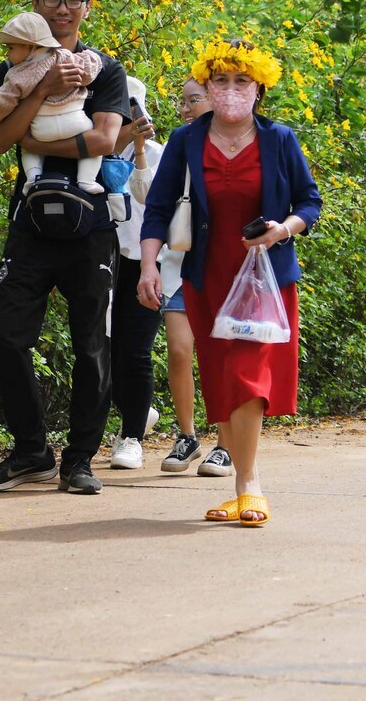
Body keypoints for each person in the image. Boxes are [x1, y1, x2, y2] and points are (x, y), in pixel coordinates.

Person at [138, 39, 321, 527]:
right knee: (221, 378)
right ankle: (241, 494)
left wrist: (283, 230)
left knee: (246, 374)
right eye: (222, 80)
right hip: (207, 277)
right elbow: (157, 207)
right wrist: (148, 266)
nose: (232, 89)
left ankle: (249, 483)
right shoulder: (186, 139)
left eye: (243, 81)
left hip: (264, 280)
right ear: (209, 85)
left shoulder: (279, 139)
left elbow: (310, 203)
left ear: (260, 88)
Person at [0, 0, 129, 494]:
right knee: (7, 339)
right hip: (30, 223)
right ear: (36, 2)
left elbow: (107, 139)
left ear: (88, 8)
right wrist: (42, 91)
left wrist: (31, 141)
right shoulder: (13, 65)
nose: (63, 7)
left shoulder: (104, 69)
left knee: (91, 345)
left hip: (91, 226)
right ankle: (31, 451)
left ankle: (80, 457)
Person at [151, 80, 231, 476]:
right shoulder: (181, 142)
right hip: (181, 260)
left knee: (222, 355)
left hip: (228, 267)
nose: (184, 109)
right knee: (180, 350)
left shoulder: (245, 141)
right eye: (180, 101)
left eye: (191, 100)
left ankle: (226, 443)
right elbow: (155, 200)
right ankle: (187, 436)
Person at [106, 75, 162, 470]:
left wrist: (139, 148)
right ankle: (137, 411)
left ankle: (131, 436)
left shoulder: (159, 155)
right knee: (101, 352)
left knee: (135, 350)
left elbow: (155, 203)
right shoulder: (94, 152)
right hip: (102, 258)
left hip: (147, 262)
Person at [0, 11, 105, 193]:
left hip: (41, 130)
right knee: (94, 151)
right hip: (77, 123)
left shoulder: (17, 74)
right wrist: (94, 58)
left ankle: (32, 177)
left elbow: (2, 105)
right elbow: (89, 69)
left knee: (29, 150)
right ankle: (87, 179)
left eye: (10, 48)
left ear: (30, 47)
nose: (8, 55)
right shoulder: (64, 57)